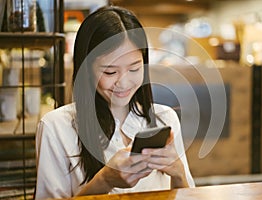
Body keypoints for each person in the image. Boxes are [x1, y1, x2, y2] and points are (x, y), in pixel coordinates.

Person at [35, 5, 195, 199]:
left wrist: (178, 173)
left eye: (135, 69)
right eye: (110, 72)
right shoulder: (56, 127)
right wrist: (105, 180)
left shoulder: (165, 118)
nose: (124, 82)